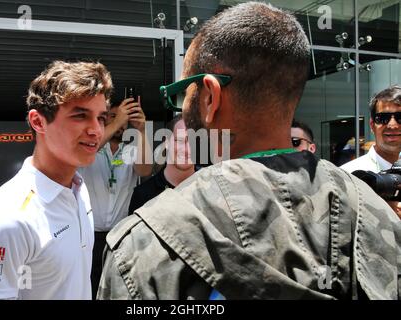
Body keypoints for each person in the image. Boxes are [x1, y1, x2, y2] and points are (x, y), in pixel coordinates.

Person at [99, 2, 401, 300]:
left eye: (183, 94)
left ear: (210, 97)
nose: (182, 107)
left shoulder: (146, 241)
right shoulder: (374, 213)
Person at [0, 61, 112, 299]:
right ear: (38, 122)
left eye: (101, 118)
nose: (96, 130)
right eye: (80, 115)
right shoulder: (8, 219)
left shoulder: (78, 189)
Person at [78, 96, 153, 299]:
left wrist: (141, 130)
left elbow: (145, 170)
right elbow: (82, 153)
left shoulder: (131, 150)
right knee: (86, 289)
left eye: (123, 118)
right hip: (87, 236)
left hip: (118, 237)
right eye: (111, 116)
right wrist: (117, 121)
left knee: (115, 291)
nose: (120, 122)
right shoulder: (89, 148)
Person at [341, 85, 401, 218]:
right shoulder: (347, 175)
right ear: (372, 125)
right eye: (383, 118)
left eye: (400, 117)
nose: (392, 125)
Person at [128, 114, 195, 215]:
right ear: (167, 142)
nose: (187, 149)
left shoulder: (212, 186)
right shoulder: (143, 194)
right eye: (180, 140)